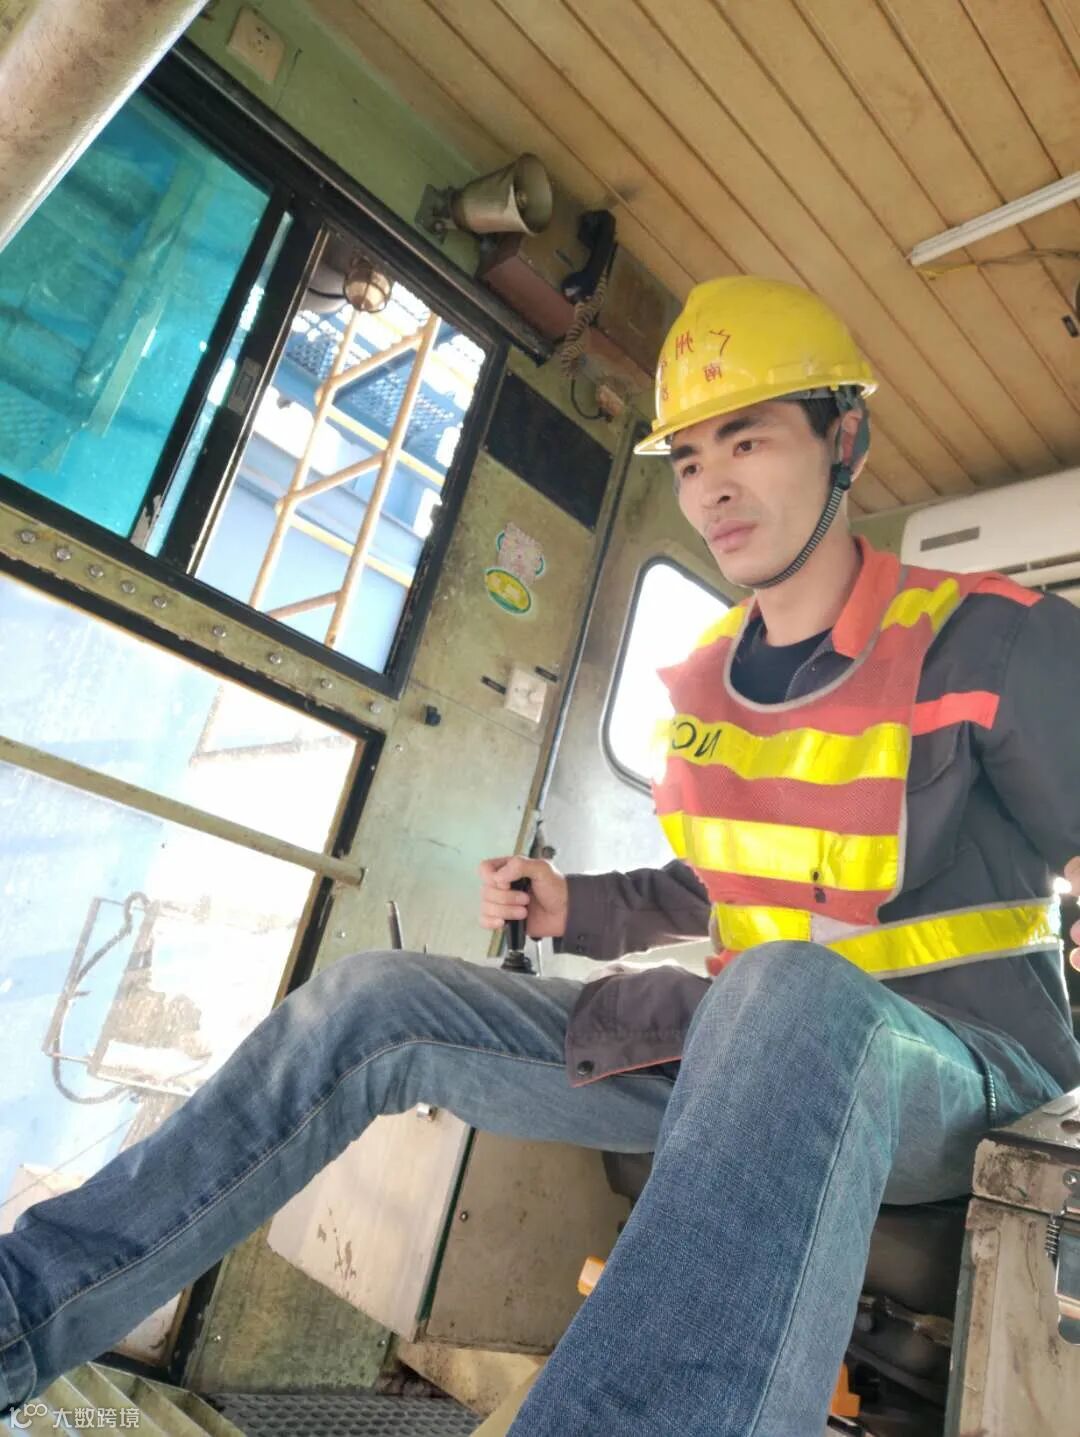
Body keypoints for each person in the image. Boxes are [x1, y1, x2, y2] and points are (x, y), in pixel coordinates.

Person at [1, 277, 1078, 1436]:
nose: (712, 486)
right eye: (690, 459)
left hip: (959, 1072)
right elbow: (730, 882)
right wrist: (574, 906)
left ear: (845, 440)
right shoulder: (713, 682)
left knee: (786, 997)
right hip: (735, 1036)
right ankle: (21, 1315)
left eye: (750, 440)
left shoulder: (995, 638)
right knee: (374, 1001)